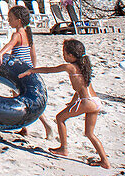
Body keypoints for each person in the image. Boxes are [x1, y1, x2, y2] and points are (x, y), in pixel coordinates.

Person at [20, 39, 110, 169]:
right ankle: (105, 161)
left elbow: (50, 70)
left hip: (87, 102)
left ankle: (63, 148)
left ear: (71, 55)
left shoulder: (70, 67)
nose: (63, 55)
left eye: (65, 53)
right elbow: (81, 88)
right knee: (89, 133)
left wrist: (32, 70)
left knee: (60, 118)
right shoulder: (84, 68)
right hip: (95, 102)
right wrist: (73, 102)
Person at [0, 5, 54, 139]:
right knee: (22, 97)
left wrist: (0, 54)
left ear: (19, 20)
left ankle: (46, 125)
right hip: (27, 70)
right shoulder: (28, 33)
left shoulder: (18, 34)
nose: (8, 21)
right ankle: (24, 128)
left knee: (22, 99)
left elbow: (10, 44)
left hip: (19, 72)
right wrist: (34, 69)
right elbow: (33, 53)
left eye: (11, 18)